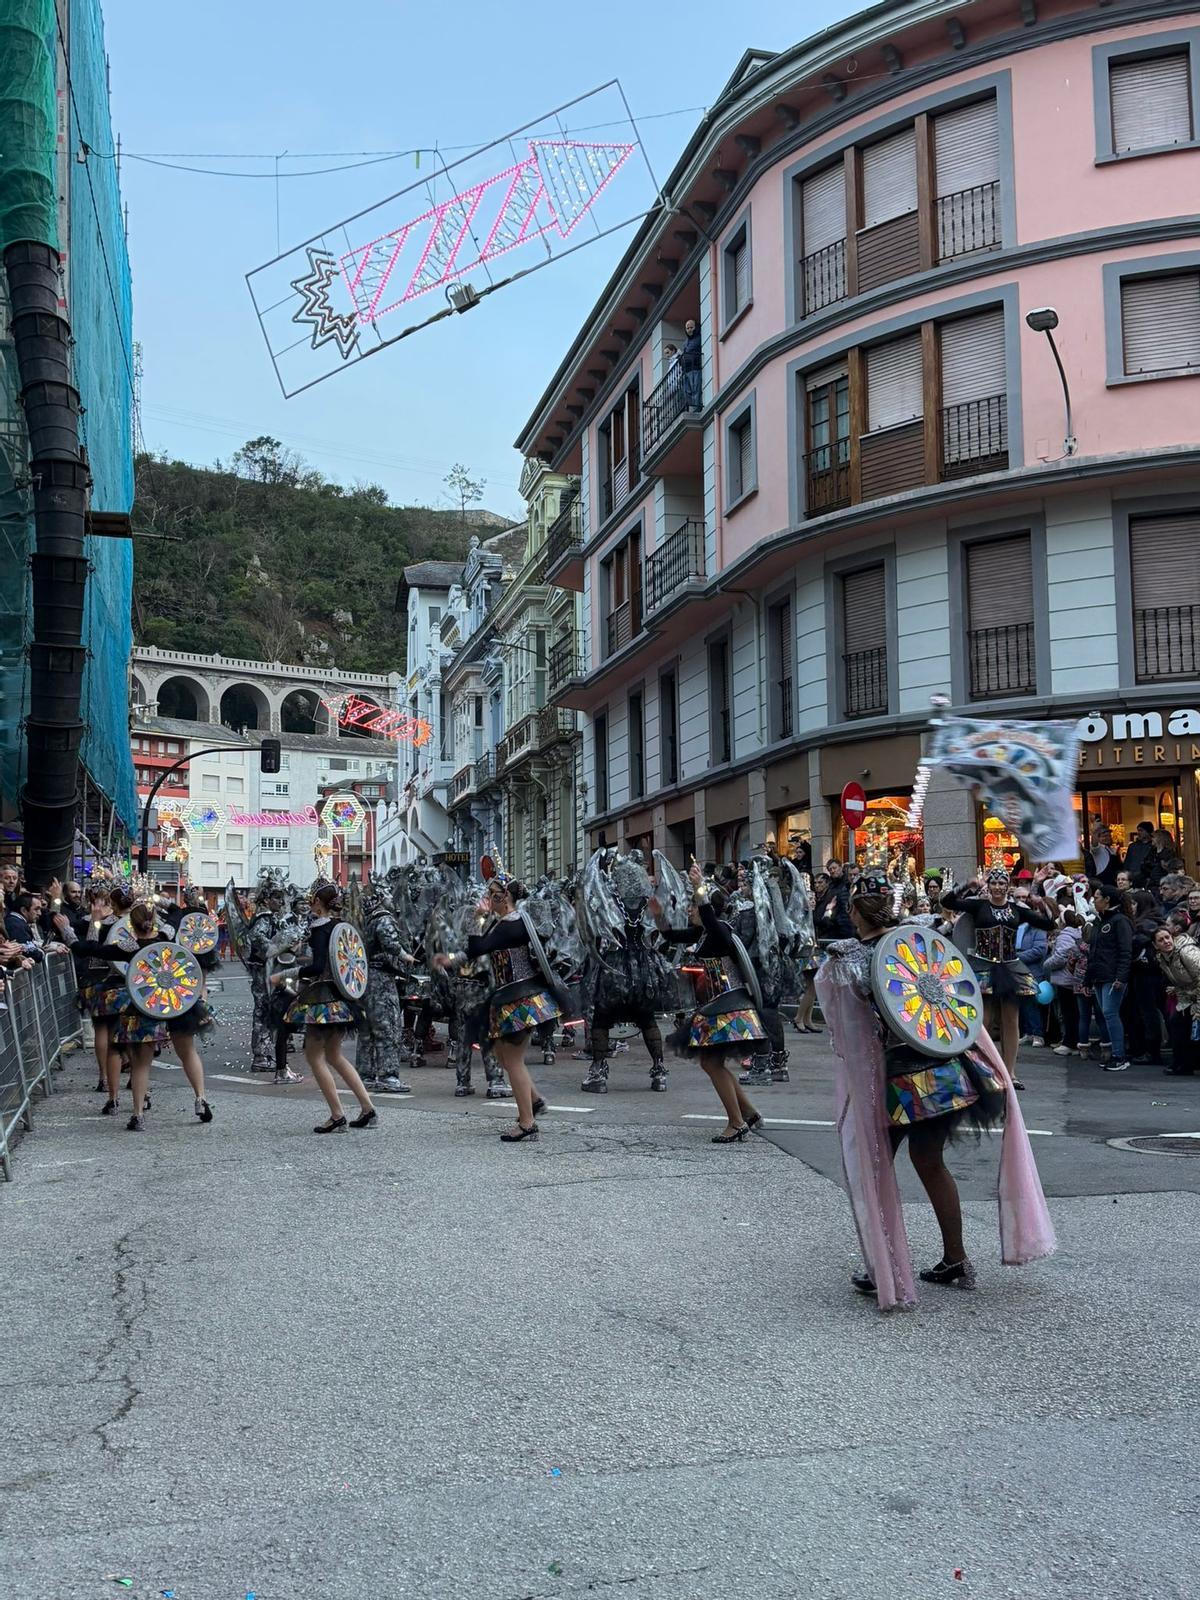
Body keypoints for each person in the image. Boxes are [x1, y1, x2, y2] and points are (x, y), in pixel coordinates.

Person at [815, 892, 1055, 1308]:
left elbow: (848, 1024)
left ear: (857, 913)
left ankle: (884, 1266)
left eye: (851, 911)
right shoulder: (914, 938)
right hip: (950, 1068)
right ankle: (954, 1259)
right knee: (929, 1162)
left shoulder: (854, 959)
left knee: (875, 1168)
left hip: (902, 1079)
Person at [433, 873, 561, 1142]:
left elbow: (479, 947)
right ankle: (534, 1101)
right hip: (515, 996)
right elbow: (478, 949)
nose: (489, 898)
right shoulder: (509, 922)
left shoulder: (508, 926)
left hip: (520, 998)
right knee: (503, 1055)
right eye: (489, 894)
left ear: (505, 897)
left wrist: (475, 918)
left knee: (513, 1061)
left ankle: (527, 1123)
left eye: (493, 894)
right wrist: (453, 959)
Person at [652, 864, 766, 1143]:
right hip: (720, 1004)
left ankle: (737, 1122)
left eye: (692, 907)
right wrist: (657, 915)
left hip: (730, 1004)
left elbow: (708, 916)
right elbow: (670, 935)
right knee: (712, 1062)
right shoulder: (702, 933)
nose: (689, 911)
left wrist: (699, 888)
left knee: (712, 1063)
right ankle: (748, 1113)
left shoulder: (719, 931)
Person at [940, 868, 1055, 1083]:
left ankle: (1009, 1072)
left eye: (1002, 883)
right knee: (983, 1022)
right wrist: (968, 884)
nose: (998, 887)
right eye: (994, 883)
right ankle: (982, 1070)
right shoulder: (979, 905)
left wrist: (1041, 904)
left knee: (1011, 1020)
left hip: (1010, 967)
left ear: (1008, 886)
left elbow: (1049, 924)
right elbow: (948, 901)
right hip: (982, 966)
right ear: (989, 886)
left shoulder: (1016, 910)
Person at [286, 885, 378, 1132]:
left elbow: (317, 968)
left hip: (321, 1001)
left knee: (314, 1056)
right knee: (335, 1056)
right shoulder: (340, 926)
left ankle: (337, 1115)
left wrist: (287, 972)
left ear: (317, 902)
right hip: (343, 999)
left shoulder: (318, 929)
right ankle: (368, 1109)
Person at [110, 902, 174, 1132]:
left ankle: (137, 1114)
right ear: (153, 920)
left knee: (136, 1065)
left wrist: (67, 932)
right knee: (144, 1067)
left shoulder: (127, 946)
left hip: (131, 1009)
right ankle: (139, 1112)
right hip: (153, 1009)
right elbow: (176, 917)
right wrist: (164, 906)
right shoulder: (164, 942)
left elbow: (91, 949)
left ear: (131, 925)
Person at [1084, 884, 1133, 1072]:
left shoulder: (1120, 921)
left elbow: (1125, 951)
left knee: (1111, 1014)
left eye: (1096, 897)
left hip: (1113, 976)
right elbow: (1093, 952)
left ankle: (1119, 1055)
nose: (1093, 900)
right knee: (1106, 1014)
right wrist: (1087, 979)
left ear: (1107, 900)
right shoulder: (1099, 922)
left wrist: (1120, 977)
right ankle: (1115, 1053)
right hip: (1099, 975)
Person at [1154, 924, 1200, 1076]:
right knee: (1176, 1021)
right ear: (1155, 945)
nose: (1166, 941)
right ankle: (1182, 1064)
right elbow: (1183, 982)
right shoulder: (1163, 958)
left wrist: (1198, 1010)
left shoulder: (1187, 952)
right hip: (1190, 994)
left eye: (1167, 937)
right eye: (1161, 940)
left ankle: (1187, 1063)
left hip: (1197, 995)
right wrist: (1178, 991)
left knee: (1191, 1024)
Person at [1043, 910, 1084, 1056]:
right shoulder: (1077, 933)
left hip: (1065, 978)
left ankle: (1069, 1042)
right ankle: (1075, 1041)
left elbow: (1061, 957)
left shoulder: (1065, 936)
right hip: (1073, 977)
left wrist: (1046, 963)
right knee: (1074, 1012)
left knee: (1069, 1012)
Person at [814, 859, 854, 941]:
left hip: (846, 925)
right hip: (833, 925)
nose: (832, 871)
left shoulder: (847, 883)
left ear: (840, 867)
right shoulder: (830, 885)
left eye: (834, 868)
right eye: (830, 869)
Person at [1123, 821, 1158, 890]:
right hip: (1132, 877)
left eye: (1141, 830)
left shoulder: (1154, 846)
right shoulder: (1132, 846)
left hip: (1147, 879)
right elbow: (1127, 862)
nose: (1138, 833)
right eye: (1138, 830)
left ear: (1148, 831)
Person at [680, 317, 702, 411]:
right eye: (687, 328)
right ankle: (692, 408)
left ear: (695, 328)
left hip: (695, 367)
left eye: (691, 327)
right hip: (686, 369)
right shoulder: (685, 342)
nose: (689, 330)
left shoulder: (699, 338)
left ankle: (696, 408)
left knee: (695, 389)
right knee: (687, 391)